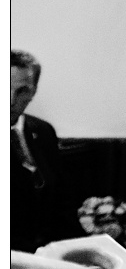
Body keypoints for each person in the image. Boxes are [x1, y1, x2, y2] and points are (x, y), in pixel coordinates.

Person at [11, 50, 83, 252]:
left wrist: (79, 248)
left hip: (50, 249)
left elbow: (61, 198)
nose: (10, 100)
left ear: (33, 92)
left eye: (22, 91)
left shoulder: (42, 131)